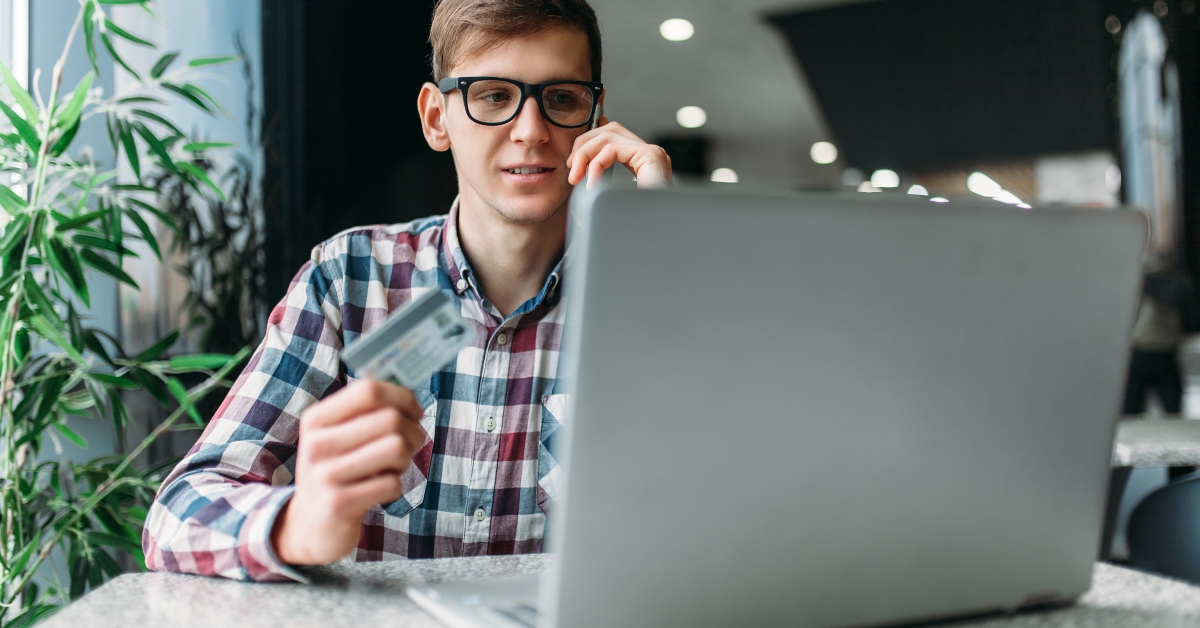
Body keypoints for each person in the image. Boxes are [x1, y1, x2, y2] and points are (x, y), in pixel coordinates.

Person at [142, 0, 672, 581]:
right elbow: (177, 514)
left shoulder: (641, 296)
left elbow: (729, 515)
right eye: (493, 96)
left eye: (562, 98)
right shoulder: (349, 280)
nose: (531, 131)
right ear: (436, 119)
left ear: (595, 119)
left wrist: (659, 261)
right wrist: (298, 522)